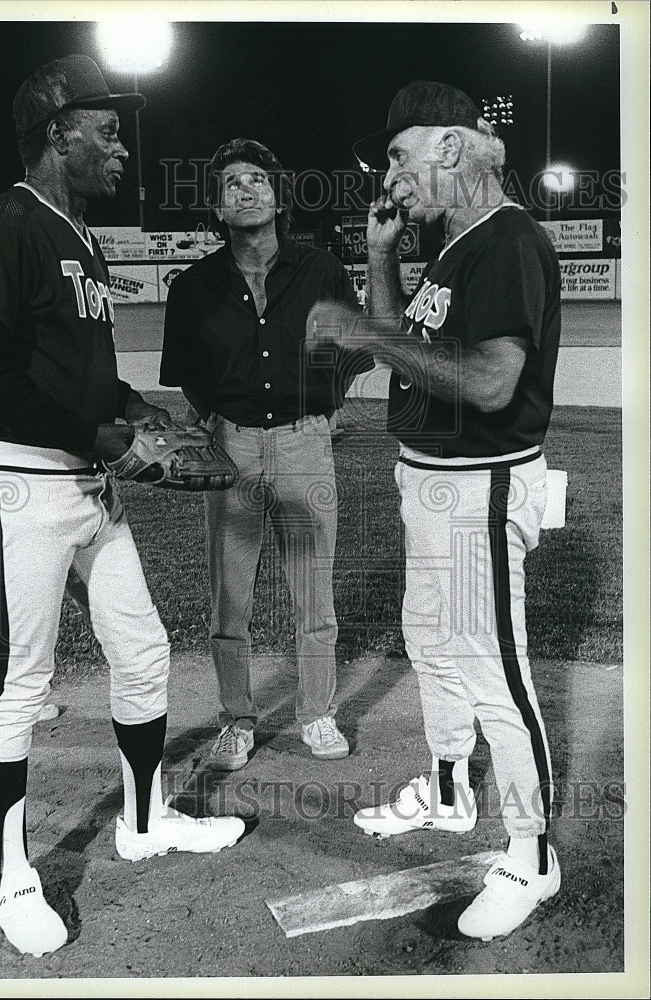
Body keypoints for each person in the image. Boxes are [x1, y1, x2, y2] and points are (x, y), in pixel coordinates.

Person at [0, 54, 244, 959]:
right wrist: (98, 432)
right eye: (106, 129)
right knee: (18, 686)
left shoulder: (77, 234)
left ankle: (143, 820)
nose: (121, 147)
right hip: (20, 486)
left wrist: (133, 409)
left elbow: (78, 370)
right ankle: (8, 875)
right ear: (57, 133)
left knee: (143, 650)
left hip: (86, 487)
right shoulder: (10, 224)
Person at [308, 81, 561, 941]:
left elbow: (489, 383)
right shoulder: (453, 247)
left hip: (480, 489)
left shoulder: (506, 240)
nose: (388, 175)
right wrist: (382, 261)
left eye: (396, 155)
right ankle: (451, 796)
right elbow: (408, 354)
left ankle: (530, 857)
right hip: (431, 485)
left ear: (450, 148)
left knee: (495, 673)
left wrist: (361, 333)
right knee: (432, 646)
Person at [160, 138, 370, 769]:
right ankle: (237, 718)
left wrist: (326, 413)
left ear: (278, 198)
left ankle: (318, 713)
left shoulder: (321, 269)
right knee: (232, 597)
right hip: (232, 446)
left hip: (306, 441)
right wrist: (217, 422)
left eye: (257, 179)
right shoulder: (194, 285)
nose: (246, 190)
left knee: (314, 591)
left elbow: (350, 347)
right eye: (231, 184)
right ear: (217, 210)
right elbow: (186, 373)